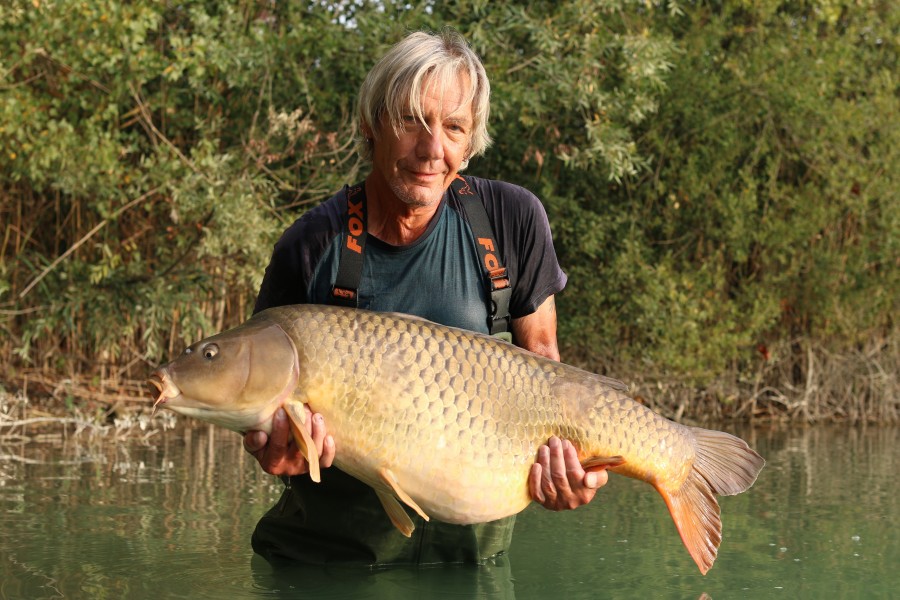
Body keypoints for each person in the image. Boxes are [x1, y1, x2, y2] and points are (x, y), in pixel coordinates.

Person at [244, 29, 607, 566]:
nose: (432, 150)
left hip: (472, 568)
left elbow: (545, 368)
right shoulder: (310, 245)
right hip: (328, 568)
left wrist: (571, 470)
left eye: (453, 127)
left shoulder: (511, 219)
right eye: (412, 121)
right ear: (372, 124)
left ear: (469, 140)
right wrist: (277, 452)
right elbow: (261, 417)